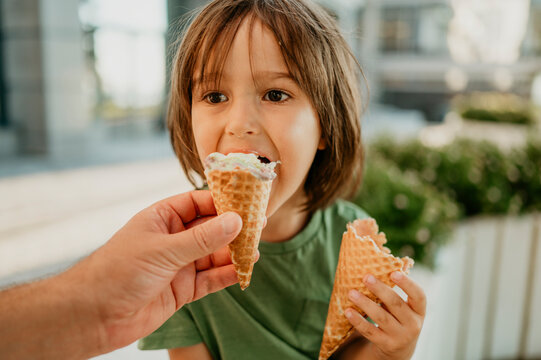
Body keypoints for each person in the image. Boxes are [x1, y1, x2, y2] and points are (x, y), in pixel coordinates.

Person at [139, 0, 427, 359]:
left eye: (275, 94)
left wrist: (392, 351)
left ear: (325, 124)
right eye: (215, 96)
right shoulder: (179, 250)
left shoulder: (352, 238)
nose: (240, 122)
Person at [0, 191, 245, 360]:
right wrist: (94, 309)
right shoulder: (176, 273)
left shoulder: (176, 278)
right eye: (213, 109)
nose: (240, 124)